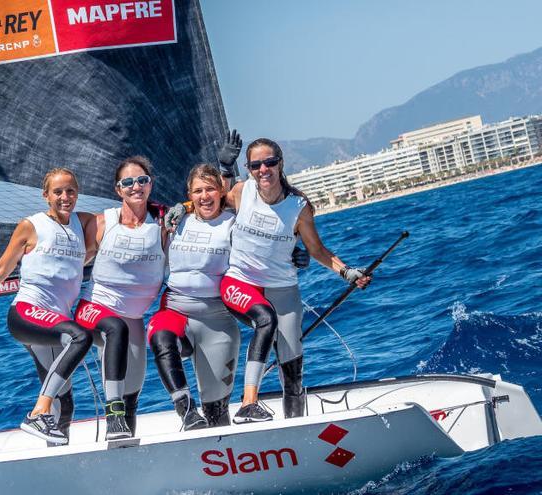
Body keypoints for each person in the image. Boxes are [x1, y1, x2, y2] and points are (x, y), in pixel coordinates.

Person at [217, 134, 371, 423]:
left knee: (292, 368)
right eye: (255, 165)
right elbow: (208, 206)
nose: (263, 170)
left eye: (270, 162)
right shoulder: (241, 191)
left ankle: (296, 426)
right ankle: (249, 404)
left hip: (283, 289)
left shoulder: (299, 207)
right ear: (249, 169)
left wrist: (348, 273)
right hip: (241, 281)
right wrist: (225, 168)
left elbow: (318, 250)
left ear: (281, 164)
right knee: (265, 319)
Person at [0, 168, 95, 445]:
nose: (65, 197)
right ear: (46, 195)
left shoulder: (81, 224)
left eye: (70, 190)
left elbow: (118, 222)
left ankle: (59, 457)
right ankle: (37, 411)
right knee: (80, 336)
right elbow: (2, 267)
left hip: (55, 321)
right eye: (58, 192)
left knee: (65, 400)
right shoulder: (31, 225)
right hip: (27, 313)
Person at [77, 156, 166, 440]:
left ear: (150, 184)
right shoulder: (104, 223)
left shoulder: (163, 224)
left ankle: (125, 446)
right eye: (127, 182)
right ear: (118, 189)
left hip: (134, 317)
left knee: (133, 389)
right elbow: (73, 264)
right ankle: (112, 414)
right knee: (115, 331)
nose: (135, 187)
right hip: (95, 308)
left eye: (141, 180)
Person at [148, 164, 239, 429]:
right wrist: (183, 206)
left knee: (217, 414)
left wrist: (292, 255)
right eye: (197, 191)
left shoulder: (233, 222)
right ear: (189, 193)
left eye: (210, 189)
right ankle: (186, 412)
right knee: (160, 337)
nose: (204, 196)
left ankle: (226, 459)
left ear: (221, 190)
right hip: (177, 312)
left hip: (218, 323)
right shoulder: (175, 220)